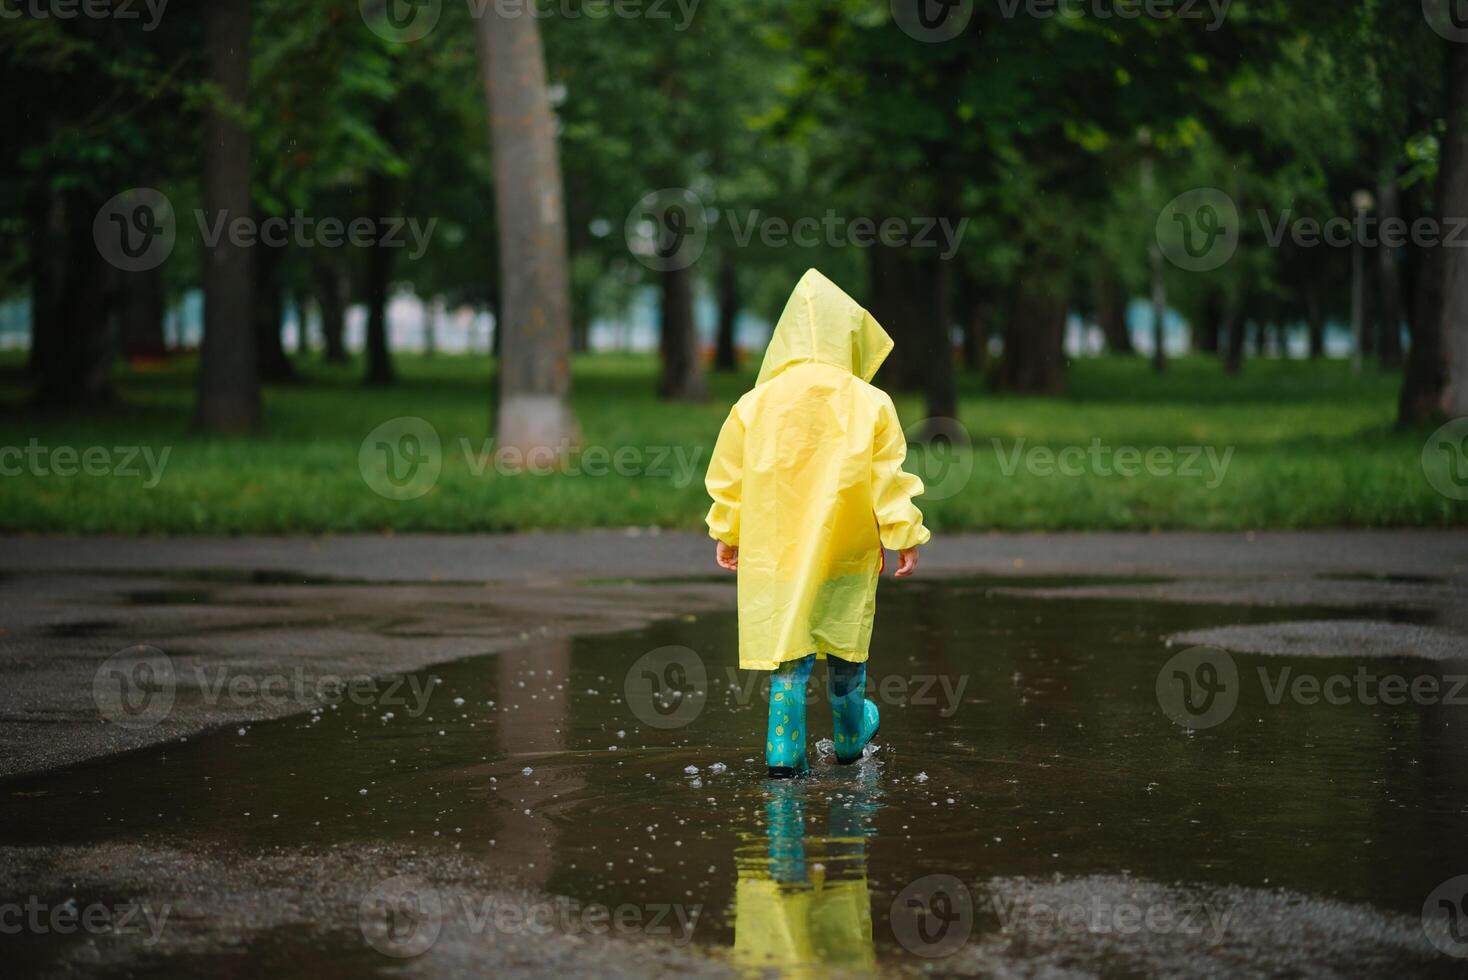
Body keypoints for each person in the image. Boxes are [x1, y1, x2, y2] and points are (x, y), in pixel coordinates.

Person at [704, 268, 930, 778]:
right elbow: (887, 478)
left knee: (789, 652)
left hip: (776, 555)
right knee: (847, 643)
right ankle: (851, 738)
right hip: (845, 552)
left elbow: (729, 476)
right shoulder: (871, 403)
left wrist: (728, 530)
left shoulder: (754, 404)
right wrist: (903, 534)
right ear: (846, 335)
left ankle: (783, 753)